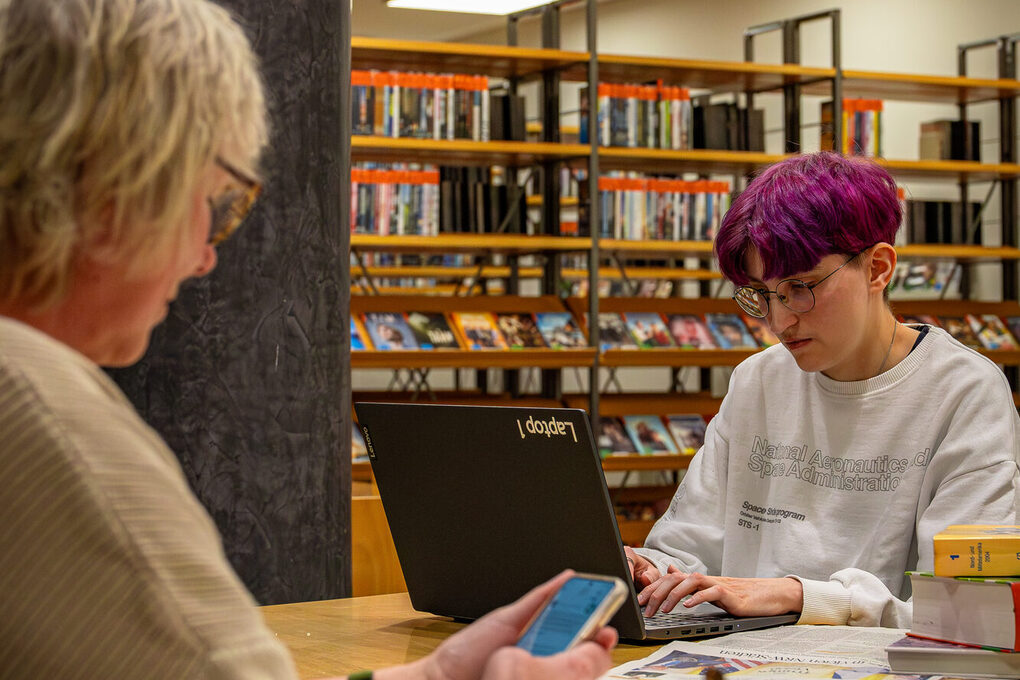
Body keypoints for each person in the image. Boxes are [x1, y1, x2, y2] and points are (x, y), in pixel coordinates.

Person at [0, 1, 616, 678]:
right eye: (211, 202)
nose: (205, 257)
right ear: (122, 185)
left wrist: (435, 675)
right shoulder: (47, 416)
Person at [625, 152, 1020, 628]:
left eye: (800, 287)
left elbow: (968, 609)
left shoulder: (963, 393)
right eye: (763, 294)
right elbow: (688, 546)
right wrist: (651, 569)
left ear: (877, 268)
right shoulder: (757, 381)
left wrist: (799, 596)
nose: (779, 321)